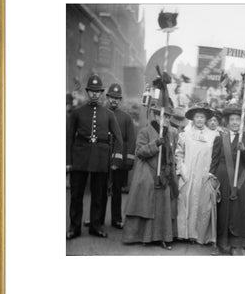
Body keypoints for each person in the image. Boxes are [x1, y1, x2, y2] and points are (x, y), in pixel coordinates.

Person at [66, 74, 124, 239]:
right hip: (80, 158)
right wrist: (68, 162)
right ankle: (74, 227)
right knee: (76, 195)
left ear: (101, 93)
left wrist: (115, 160)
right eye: (91, 91)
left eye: (97, 92)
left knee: (98, 195)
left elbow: (118, 139)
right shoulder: (77, 113)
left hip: (100, 159)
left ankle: (95, 226)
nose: (94, 94)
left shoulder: (108, 114)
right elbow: (68, 138)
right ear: (87, 92)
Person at [122, 106, 178, 250]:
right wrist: (155, 144)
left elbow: (170, 155)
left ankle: (162, 237)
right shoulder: (145, 131)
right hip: (148, 174)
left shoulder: (170, 133)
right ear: (156, 116)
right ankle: (143, 237)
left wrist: (170, 170)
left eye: (167, 117)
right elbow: (140, 151)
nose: (165, 120)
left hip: (164, 176)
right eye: (162, 116)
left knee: (162, 207)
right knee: (147, 206)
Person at [209, 103, 245, 255]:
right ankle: (221, 244)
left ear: (241, 122)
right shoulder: (220, 137)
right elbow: (214, 160)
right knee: (223, 210)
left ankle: (237, 244)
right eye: (232, 119)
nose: (235, 122)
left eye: (238, 120)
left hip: (240, 179)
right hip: (223, 177)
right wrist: (211, 178)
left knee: (239, 211)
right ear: (227, 122)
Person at [175, 102, 218, 244]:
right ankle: (183, 233)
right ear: (193, 118)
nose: (199, 120)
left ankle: (198, 235)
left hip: (204, 174)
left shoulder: (213, 135)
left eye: (202, 117)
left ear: (206, 119)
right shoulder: (185, 134)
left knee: (202, 204)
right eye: (197, 117)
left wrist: (211, 173)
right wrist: (181, 169)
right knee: (185, 202)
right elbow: (179, 153)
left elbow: (215, 156)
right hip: (188, 173)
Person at [100, 83, 136, 229]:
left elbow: (131, 140)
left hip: (119, 160)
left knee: (116, 191)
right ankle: (98, 219)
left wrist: (128, 161)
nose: (114, 100)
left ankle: (116, 219)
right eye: (112, 97)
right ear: (107, 97)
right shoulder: (101, 113)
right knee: (100, 190)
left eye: (117, 98)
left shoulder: (126, 118)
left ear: (120, 100)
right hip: (102, 158)